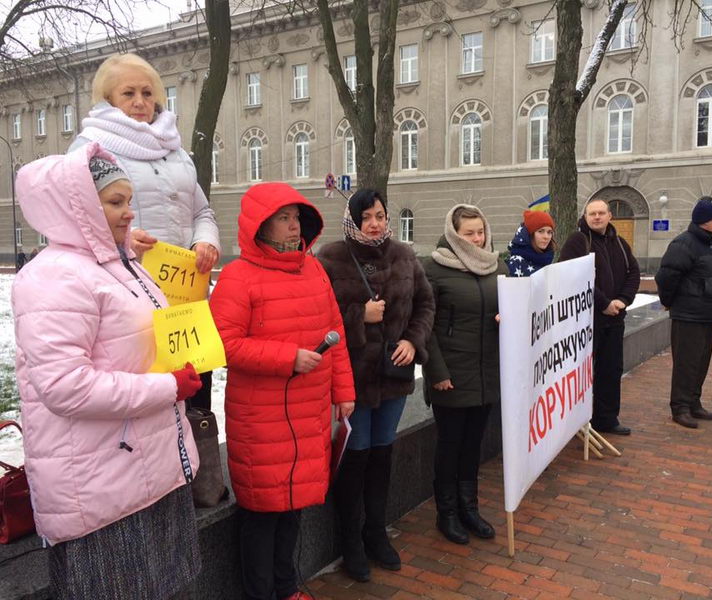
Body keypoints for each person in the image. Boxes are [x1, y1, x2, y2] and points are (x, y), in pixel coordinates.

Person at [12, 146, 202, 600]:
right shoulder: (54, 277)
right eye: (115, 202)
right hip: (99, 490)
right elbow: (66, 387)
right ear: (76, 206)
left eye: (128, 200)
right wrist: (168, 386)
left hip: (142, 468)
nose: (129, 212)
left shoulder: (119, 265)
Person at [209, 182, 356, 600]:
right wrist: (286, 358)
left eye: (296, 218)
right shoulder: (238, 277)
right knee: (262, 515)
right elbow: (224, 344)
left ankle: (287, 587)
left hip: (309, 414)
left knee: (293, 507)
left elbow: (335, 333)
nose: (294, 226)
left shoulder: (314, 269)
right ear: (260, 225)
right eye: (283, 219)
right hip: (261, 418)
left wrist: (344, 390)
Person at [70, 52, 220, 409]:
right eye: (129, 93)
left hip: (186, 299)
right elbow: (75, 218)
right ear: (108, 99)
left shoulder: (175, 150)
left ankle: (196, 446)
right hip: (130, 298)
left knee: (195, 397)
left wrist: (205, 241)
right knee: (151, 396)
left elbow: (202, 211)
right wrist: (122, 241)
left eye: (148, 93)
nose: (140, 102)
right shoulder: (90, 149)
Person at [317, 189, 435, 583]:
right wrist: (358, 316)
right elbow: (318, 317)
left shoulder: (403, 255)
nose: (374, 223)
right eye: (366, 216)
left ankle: (375, 532)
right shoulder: (330, 258)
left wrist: (412, 342)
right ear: (352, 219)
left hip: (393, 377)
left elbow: (425, 304)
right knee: (356, 458)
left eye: (380, 216)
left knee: (383, 454)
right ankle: (351, 540)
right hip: (352, 381)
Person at [422, 204, 507, 545]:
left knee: (473, 445)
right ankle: (447, 513)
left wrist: (507, 318)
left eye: (480, 232)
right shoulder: (434, 268)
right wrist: (437, 372)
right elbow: (424, 326)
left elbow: (512, 307)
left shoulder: (496, 266)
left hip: (487, 372)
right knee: (450, 445)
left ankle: (469, 508)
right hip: (451, 374)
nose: (477, 239)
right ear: (453, 234)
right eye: (469, 233)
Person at [559, 199, 640, 435]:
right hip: (586, 321)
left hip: (614, 320)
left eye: (601, 213)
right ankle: (574, 422)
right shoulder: (578, 241)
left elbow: (633, 272)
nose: (597, 217)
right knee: (582, 373)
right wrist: (603, 303)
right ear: (585, 216)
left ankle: (607, 419)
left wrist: (623, 299)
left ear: (609, 216)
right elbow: (571, 276)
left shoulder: (620, 243)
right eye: (592, 213)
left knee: (611, 370)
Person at [655, 197, 712, 429]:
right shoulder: (684, 244)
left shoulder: (710, 243)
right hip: (688, 315)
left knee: (701, 362)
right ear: (706, 221)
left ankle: (694, 402)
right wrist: (668, 302)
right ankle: (680, 407)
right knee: (686, 363)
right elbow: (666, 276)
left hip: (705, 313)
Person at [506, 209, 556, 276]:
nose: (546, 237)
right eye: (541, 231)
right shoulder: (516, 263)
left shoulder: (549, 260)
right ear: (529, 234)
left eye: (549, 232)